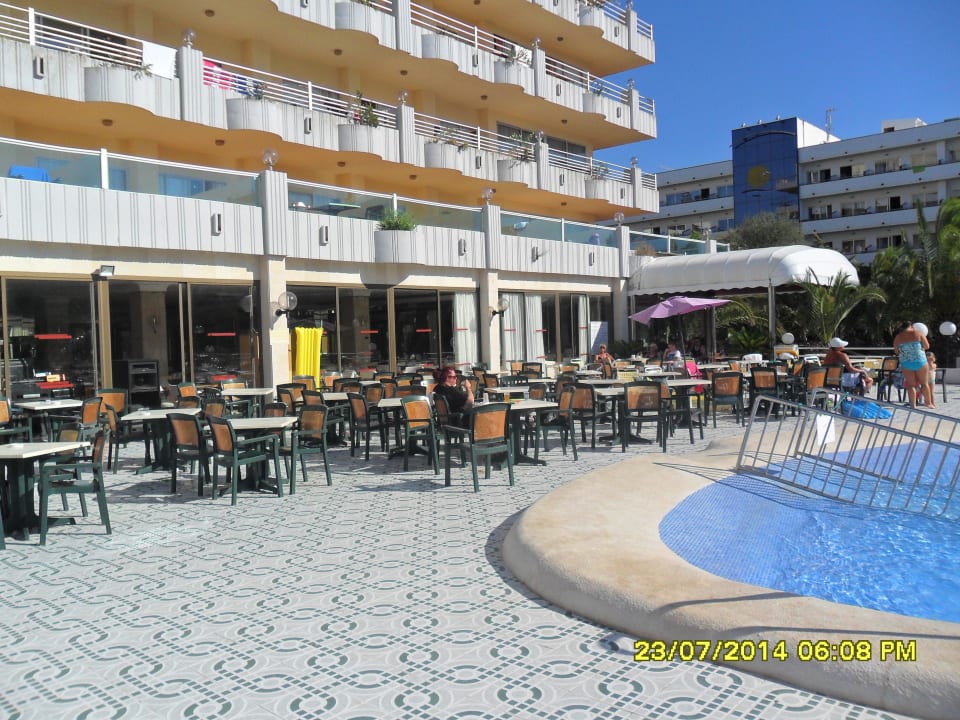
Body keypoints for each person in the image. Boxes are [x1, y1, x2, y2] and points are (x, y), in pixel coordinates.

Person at [892, 321, 932, 409]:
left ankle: (913, 405)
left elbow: (896, 351)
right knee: (924, 383)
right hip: (920, 361)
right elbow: (926, 346)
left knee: (911, 385)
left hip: (906, 362)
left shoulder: (898, 337)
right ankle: (928, 403)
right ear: (911, 326)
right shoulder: (918, 333)